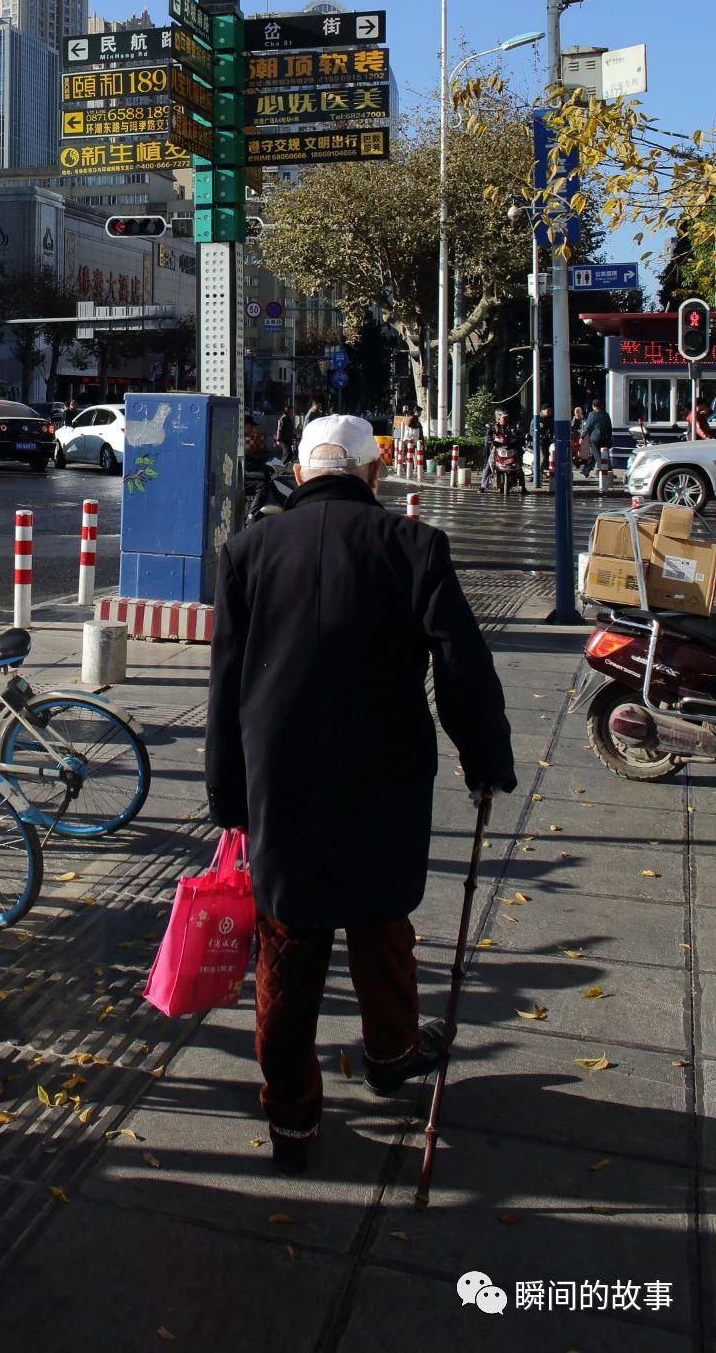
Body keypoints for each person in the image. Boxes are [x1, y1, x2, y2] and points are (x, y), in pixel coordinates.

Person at [206, 413, 515, 1172]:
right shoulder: (412, 546)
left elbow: (224, 687)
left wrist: (228, 797)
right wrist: (485, 758)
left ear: (305, 472)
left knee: (287, 943)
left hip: (281, 781)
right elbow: (460, 666)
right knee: (382, 923)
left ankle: (292, 1117)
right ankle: (392, 1053)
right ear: (372, 472)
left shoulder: (245, 553)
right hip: (385, 773)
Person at [487, 406, 527, 495]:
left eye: (506, 417)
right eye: (503, 418)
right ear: (498, 418)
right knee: (490, 463)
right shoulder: (493, 427)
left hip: (511, 448)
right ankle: (483, 486)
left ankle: (523, 487)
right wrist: (490, 439)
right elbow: (488, 437)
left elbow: (518, 434)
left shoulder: (512, 426)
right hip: (497, 448)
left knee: (519, 466)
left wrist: (519, 436)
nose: (505, 419)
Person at [578, 398, 614, 480]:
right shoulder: (606, 414)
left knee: (597, 456)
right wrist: (609, 438)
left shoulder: (592, 414)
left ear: (593, 406)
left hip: (595, 438)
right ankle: (585, 472)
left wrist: (582, 437)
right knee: (598, 455)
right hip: (605, 438)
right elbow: (609, 427)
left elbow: (587, 427)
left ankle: (606, 471)